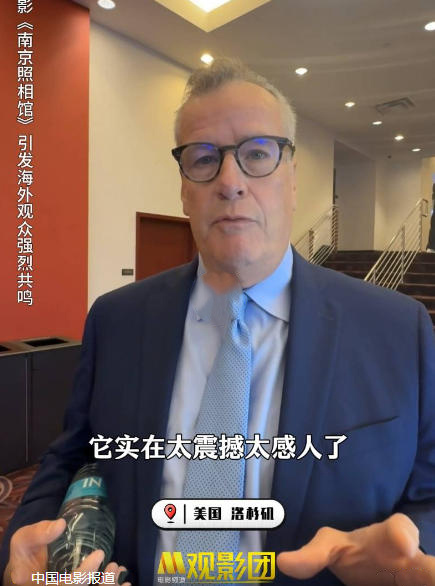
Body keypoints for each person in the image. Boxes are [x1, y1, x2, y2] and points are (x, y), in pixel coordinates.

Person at [1, 58, 435, 586]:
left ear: (293, 178)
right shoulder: (117, 320)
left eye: (258, 154)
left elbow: (429, 493)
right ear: (184, 188)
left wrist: (410, 554)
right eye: (204, 159)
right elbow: (74, 453)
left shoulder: (398, 330)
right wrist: (20, 550)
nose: (230, 182)